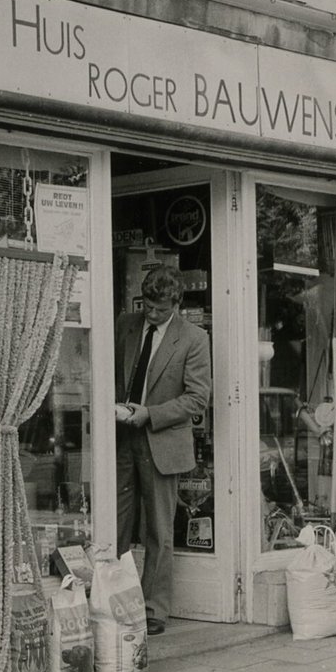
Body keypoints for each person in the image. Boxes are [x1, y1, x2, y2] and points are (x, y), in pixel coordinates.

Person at [115, 266, 211, 635]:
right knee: (116, 522)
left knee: (158, 529)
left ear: (176, 304)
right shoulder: (126, 323)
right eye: (148, 306)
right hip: (122, 436)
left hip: (161, 439)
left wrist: (150, 414)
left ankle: (154, 609)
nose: (152, 314)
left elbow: (197, 398)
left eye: (160, 309)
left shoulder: (194, 338)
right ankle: (113, 598)